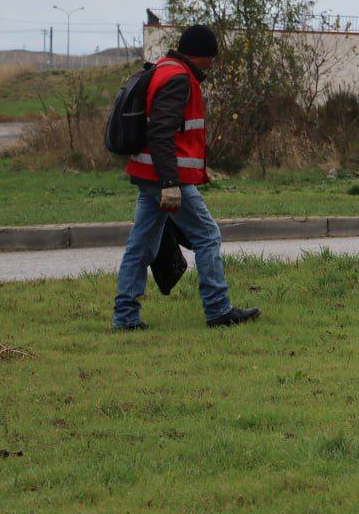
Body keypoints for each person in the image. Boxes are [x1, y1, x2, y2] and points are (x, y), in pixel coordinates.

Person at [112, 25, 261, 330]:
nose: (212, 64)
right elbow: (161, 132)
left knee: (140, 247)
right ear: (199, 54)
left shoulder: (164, 69)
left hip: (147, 171)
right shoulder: (179, 79)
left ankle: (125, 317)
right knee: (207, 235)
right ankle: (218, 311)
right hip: (166, 176)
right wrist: (170, 183)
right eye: (211, 57)